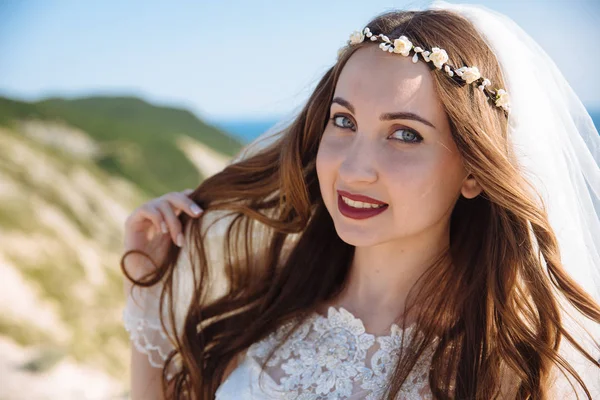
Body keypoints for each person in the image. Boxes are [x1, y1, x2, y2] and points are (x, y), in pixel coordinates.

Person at [120, 1, 600, 399]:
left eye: (405, 134)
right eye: (344, 122)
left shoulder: (500, 367)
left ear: (474, 170)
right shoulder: (261, 310)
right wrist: (147, 285)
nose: (353, 168)